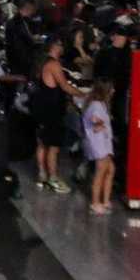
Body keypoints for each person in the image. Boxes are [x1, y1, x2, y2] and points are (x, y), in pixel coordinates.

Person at [34, 38, 84, 194]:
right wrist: (84, 95)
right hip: (52, 110)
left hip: (41, 108)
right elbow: (64, 86)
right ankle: (53, 178)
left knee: (42, 143)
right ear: (55, 46)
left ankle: (42, 175)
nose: (63, 48)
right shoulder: (54, 64)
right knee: (53, 147)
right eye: (61, 44)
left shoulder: (41, 63)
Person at [83, 81, 116, 215]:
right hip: (99, 144)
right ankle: (95, 203)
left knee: (110, 170)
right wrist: (100, 123)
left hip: (105, 143)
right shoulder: (96, 105)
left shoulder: (101, 104)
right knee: (101, 172)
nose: (113, 91)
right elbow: (94, 119)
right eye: (111, 88)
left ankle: (105, 201)